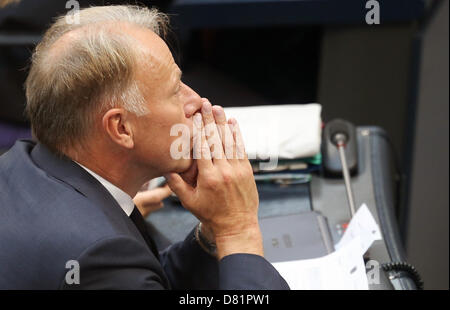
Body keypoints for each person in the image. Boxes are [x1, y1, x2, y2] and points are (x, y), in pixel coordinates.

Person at [0, 5, 289, 290]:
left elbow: (146, 280)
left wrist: (212, 234)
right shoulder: (96, 256)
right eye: (175, 90)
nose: (198, 101)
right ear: (121, 128)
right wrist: (238, 229)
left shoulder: (24, 164)